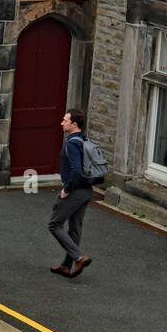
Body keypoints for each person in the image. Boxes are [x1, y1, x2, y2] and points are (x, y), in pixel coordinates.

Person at [49, 108, 93, 278]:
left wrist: (66, 190)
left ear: (74, 124)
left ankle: (79, 257)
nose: (62, 123)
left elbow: (75, 171)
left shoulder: (73, 143)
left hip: (74, 191)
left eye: (65, 120)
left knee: (54, 224)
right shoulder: (84, 140)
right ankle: (66, 266)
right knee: (74, 229)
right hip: (86, 191)